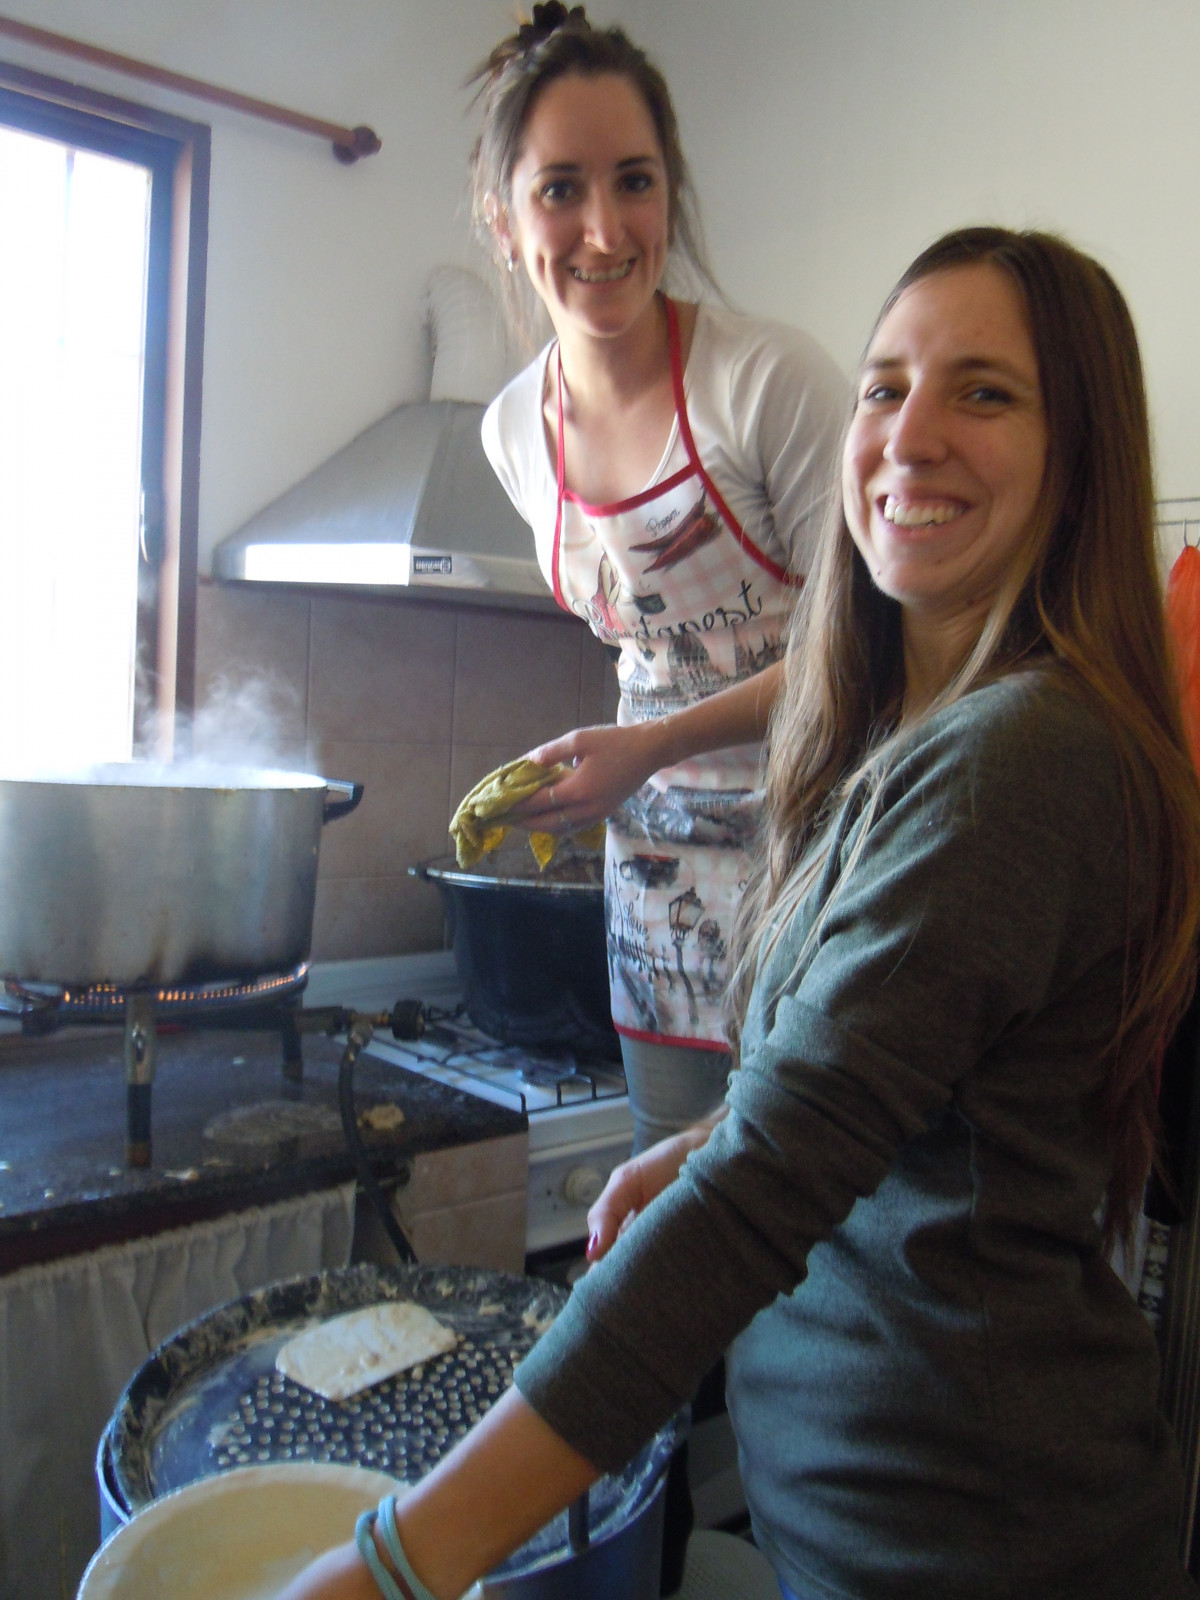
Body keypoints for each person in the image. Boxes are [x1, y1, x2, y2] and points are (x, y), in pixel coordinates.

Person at [276, 227, 1200, 1600]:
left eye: (985, 393)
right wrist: (709, 1138)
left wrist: (394, 1565)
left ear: (1081, 457)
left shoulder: (1017, 762)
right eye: (887, 387)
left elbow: (765, 1198)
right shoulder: (916, 742)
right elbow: (907, 1095)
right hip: (874, 1522)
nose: (910, 437)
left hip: (977, 1540)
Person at [470, 2, 848, 1154]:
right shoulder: (511, 433)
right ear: (502, 219)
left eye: (633, 181)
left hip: (815, 846)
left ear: (669, 195)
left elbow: (865, 653)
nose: (603, 229)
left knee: (805, 1188)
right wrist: (620, 760)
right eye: (560, 189)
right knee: (667, 1193)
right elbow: (646, 653)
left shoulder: (768, 381)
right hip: (655, 872)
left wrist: (651, 746)